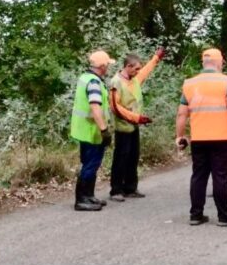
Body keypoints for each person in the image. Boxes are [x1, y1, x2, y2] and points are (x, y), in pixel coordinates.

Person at [175, 48, 227, 226]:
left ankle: (196, 215)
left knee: (199, 176)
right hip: (223, 137)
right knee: (220, 177)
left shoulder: (189, 83)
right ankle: (224, 217)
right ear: (219, 63)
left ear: (203, 63)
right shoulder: (226, 82)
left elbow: (181, 114)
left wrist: (180, 136)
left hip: (199, 138)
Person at [107, 48, 164, 201]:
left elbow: (146, 71)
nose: (138, 71)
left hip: (134, 126)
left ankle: (130, 188)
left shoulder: (134, 79)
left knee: (133, 156)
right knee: (121, 158)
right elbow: (115, 107)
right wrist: (136, 117)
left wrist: (156, 58)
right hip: (123, 127)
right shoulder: (116, 82)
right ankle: (116, 190)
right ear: (128, 67)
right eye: (136, 68)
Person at [69, 50, 115, 211]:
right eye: (107, 64)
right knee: (90, 165)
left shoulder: (85, 77)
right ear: (102, 66)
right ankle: (81, 199)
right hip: (91, 131)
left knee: (90, 164)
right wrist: (104, 130)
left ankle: (89, 196)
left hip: (84, 129)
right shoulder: (94, 82)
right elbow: (95, 107)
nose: (108, 67)